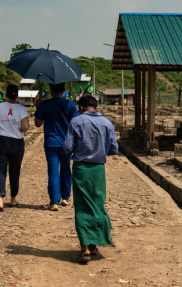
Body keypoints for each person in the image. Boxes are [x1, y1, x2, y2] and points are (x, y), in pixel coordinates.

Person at [63, 95, 118, 263]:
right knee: (97, 204)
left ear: (81, 107)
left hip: (81, 168)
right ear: (96, 107)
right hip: (98, 170)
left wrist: (78, 151)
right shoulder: (107, 123)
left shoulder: (76, 122)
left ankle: (85, 247)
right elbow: (114, 149)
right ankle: (94, 245)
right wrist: (100, 151)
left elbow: (67, 147)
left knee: (81, 206)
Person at [34, 83, 78, 211]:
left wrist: (38, 106)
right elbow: (75, 124)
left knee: (53, 171)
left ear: (51, 90)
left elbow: (37, 124)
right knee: (66, 170)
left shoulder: (45, 104)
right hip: (67, 143)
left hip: (51, 143)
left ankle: (54, 202)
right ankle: (65, 197)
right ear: (64, 91)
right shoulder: (70, 105)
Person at [0, 84, 29, 212]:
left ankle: (0, 201)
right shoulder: (21, 109)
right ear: (17, 96)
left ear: (5, 95)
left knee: (0, 171)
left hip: (1, 142)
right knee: (15, 171)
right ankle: (13, 199)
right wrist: (19, 128)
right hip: (17, 143)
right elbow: (26, 127)